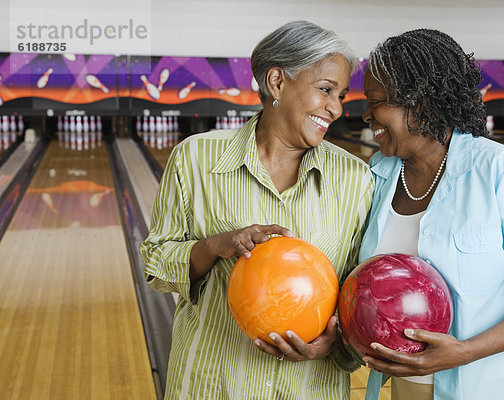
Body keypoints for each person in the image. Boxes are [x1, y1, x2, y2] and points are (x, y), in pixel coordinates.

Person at [139, 20, 374, 399]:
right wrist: (214, 246)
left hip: (309, 388)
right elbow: (156, 266)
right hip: (213, 385)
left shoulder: (357, 180)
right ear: (277, 82)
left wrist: (335, 343)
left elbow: (360, 296)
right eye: (326, 90)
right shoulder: (195, 160)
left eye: (342, 96)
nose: (335, 109)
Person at [357, 29, 504, 400]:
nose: (365, 115)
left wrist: (465, 351)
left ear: (422, 102)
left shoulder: (503, 172)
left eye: (377, 101)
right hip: (406, 388)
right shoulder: (377, 175)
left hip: (490, 388)